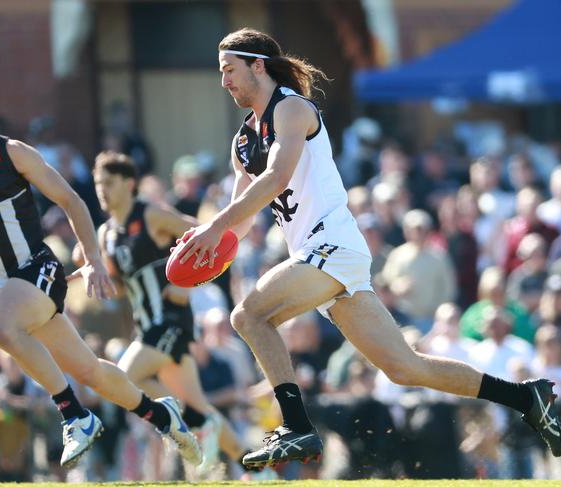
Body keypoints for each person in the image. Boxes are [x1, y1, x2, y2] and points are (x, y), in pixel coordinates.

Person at [174, 28, 561, 468]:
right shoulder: (243, 140)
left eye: (229, 70)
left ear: (257, 65)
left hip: (330, 245)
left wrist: (214, 227)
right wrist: (210, 242)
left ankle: (297, 427)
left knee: (248, 315)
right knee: (405, 369)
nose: (223, 81)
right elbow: (240, 218)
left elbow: (277, 178)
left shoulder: (292, 108)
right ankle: (528, 397)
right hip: (322, 255)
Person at [0, 75, 200, 468]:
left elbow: (72, 200)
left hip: (36, 269)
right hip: (2, 290)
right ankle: (162, 415)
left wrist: (95, 260)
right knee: (91, 372)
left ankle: (74, 414)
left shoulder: (12, 152)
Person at [90, 150, 258, 475]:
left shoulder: (152, 215)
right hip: (146, 325)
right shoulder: (105, 234)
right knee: (199, 406)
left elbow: (208, 238)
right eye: (98, 183)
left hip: (170, 320)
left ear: (129, 184)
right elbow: (120, 285)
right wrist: (95, 275)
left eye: (108, 182)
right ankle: (253, 467)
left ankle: (188, 422)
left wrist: (187, 284)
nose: (101, 190)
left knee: (125, 377)